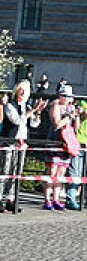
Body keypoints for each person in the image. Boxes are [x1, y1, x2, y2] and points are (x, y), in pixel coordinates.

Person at [1, 81, 46, 212]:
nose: (23, 92)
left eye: (25, 90)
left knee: (17, 172)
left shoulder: (27, 106)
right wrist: (32, 110)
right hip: (10, 142)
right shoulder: (10, 105)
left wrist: (37, 113)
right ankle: (0, 198)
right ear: (16, 91)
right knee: (5, 171)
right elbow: (16, 120)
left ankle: (11, 199)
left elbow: (34, 124)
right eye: (21, 90)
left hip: (22, 143)